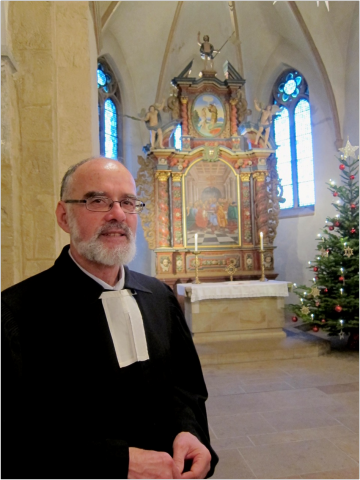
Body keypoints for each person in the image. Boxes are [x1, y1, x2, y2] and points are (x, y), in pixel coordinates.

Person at [1, 157, 218, 479]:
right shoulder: (16, 313)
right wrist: (115, 461)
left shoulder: (158, 297)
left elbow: (184, 388)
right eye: (97, 201)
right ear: (64, 216)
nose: (117, 214)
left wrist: (189, 432)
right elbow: (14, 430)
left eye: (128, 202)